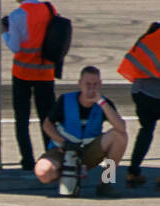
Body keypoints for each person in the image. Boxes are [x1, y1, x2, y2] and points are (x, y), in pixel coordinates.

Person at [34, 66, 129, 197]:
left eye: (95, 84)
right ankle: (65, 174)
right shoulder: (65, 100)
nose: (91, 89)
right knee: (43, 172)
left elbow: (121, 127)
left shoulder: (104, 103)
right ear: (80, 84)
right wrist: (63, 143)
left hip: (87, 152)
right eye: (88, 84)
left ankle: (106, 182)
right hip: (63, 150)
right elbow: (47, 125)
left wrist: (101, 102)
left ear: (100, 84)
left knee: (120, 136)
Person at [3, 2, 60, 170]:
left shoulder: (17, 15)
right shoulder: (49, 9)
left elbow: (15, 46)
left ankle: (27, 160)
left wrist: (4, 33)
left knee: (22, 119)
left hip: (23, 73)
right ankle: (51, 156)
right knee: (48, 119)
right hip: (45, 72)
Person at [119, 21, 160, 188]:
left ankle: (133, 172)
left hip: (139, 93)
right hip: (156, 95)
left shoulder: (147, 38)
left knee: (146, 131)